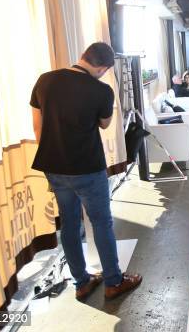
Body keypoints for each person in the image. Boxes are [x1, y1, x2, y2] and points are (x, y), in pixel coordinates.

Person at [30, 42, 142, 301]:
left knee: (69, 224)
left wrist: (56, 157)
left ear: (83, 57)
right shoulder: (101, 90)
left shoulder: (45, 81)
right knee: (101, 223)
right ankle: (114, 282)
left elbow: (38, 127)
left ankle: (81, 282)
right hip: (88, 168)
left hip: (54, 166)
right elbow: (105, 124)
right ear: (102, 68)